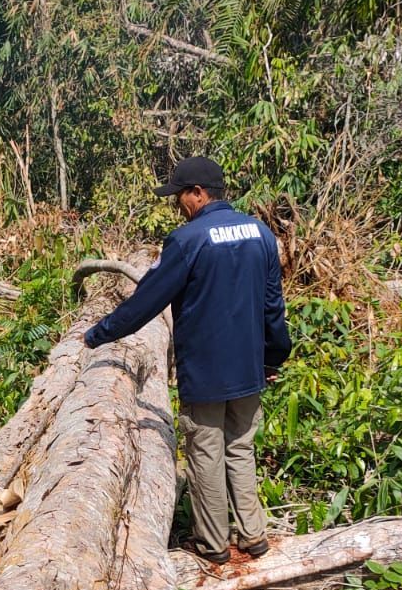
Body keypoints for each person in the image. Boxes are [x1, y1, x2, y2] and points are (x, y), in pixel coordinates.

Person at [83, 155, 291, 563]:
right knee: (241, 448)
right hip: (250, 368)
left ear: (198, 193)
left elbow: (145, 302)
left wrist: (97, 335)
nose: (178, 204)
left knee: (206, 453)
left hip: (206, 374)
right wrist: (274, 357)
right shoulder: (261, 234)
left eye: (180, 195)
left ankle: (213, 546)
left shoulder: (187, 241)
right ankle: (253, 536)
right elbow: (273, 307)